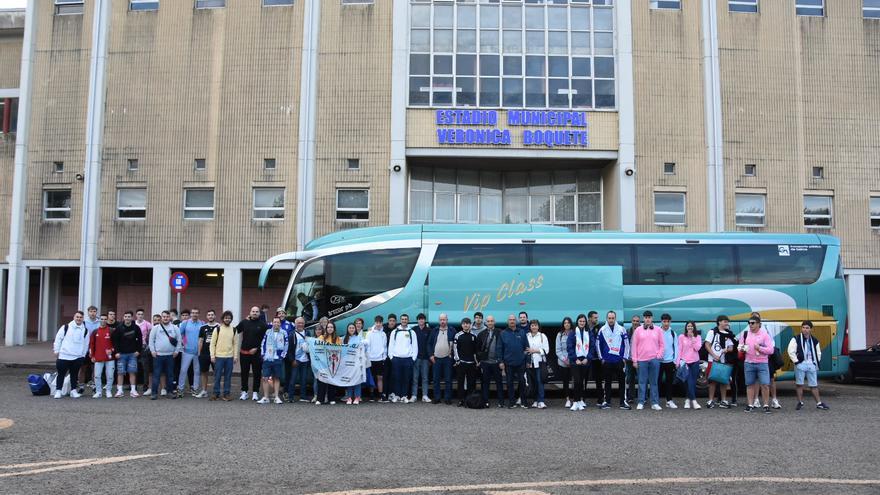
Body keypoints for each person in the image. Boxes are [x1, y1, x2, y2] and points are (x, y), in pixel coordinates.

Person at [788, 320, 830, 411]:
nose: (805, 330)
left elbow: (818, 352)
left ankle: (819, 403)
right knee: (799, 384)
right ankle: (800, 402)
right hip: (801, 363)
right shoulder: (796, 338)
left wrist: (815, 363)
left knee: (814, 385)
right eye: (803, 327)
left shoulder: (814, 340)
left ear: (811, 329)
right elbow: (791, 351)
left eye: (807, 328)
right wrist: (796, 362)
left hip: (811, 363)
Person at [740, 316, 775, 413]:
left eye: (753, 323)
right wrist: (742, 348)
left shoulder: (765, 335)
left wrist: (760, 348)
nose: (750, 325)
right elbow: (739, 346)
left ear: (759, 324)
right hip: (749, 362)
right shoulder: (745, 334)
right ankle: (750, 405)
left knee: (765, 384)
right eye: (749, 323)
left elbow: (771, 350)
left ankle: (766, 405)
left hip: (762, 363)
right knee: (749, 384)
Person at [749, 312, 782, 409]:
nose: (753, 322)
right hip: (753, 358)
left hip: (767, 357)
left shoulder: (766, 329)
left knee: (771, 379)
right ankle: (756, 400)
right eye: (752, 319)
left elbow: (771, 344)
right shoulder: (749, 330)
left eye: (756, 319)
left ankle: (774, 400)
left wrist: (761, 348)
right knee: (755, 380)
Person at [52, 311, 89, 399]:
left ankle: (73, 391)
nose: (79, 319)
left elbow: (86, 344)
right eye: (77, 317)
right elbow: (58, 339)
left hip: (77, 357)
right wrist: (56, 350)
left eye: (80, 317)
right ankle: (58, 391)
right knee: (61, 374)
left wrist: (83, 355)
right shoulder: (65, 327)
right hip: (64, 355)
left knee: (74, 375)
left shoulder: (85, 330)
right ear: (74, 317)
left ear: (83, 319)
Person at [632, 310, 664, 410]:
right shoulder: (638, 330)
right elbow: (634, 346)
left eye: (649, 317)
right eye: (646, 317)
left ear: (652, 318)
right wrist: (634, 360)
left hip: (654, 360)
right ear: (643, 319)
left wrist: (658, 356)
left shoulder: (658, 330)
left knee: (654, 382)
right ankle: (641, 402)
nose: (648, 319)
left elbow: (662, 345)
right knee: (642, 382)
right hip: (642, 360)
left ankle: (655, 403)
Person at [704, 315, 738, 409]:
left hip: (723, 361)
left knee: (724, 381)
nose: (726, 323)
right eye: (724, 321)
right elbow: (707, 345)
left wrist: (726, 350)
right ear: (719, 322)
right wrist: (714, 355)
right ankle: (710, 400)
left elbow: (731, 347)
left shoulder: (729, 334)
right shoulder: (712, 332)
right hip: (713, 360)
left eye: (727, 322)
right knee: (712, 381)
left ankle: (723, 400)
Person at [598, 311, 628, 410]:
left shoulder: (621, 329)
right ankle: (607, 402)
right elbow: (598, 345)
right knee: (607, 382)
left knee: (622, 382)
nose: (611, 320)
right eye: (609, 318)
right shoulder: (602, 330)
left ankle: (623, 402)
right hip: (607, 361)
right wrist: (601, 358)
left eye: (613, 318)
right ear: (607, 319)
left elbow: (627, 344)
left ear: (615, 318)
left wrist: (625, 358)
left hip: (619, 360)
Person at [149, 311, 182, 400]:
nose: (166, 318)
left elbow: (179, 341)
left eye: (167, 316)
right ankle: (154, 393)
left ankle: (170, 392)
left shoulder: (175, 328)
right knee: (156, 375)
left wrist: (176, 351)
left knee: (170, 375)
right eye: (164, 317)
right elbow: (151, 341)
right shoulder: (156, 328)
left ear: (170, 318)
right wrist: (152, 351)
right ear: (161, 318)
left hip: (170, 355)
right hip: (158, 355)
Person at [237, 306, 268, 401]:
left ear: (259, 313)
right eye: (253, 311)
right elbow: (234, 331)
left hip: (257, 353)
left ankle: (255, 392)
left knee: (257, 373)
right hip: (244, 353)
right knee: (244, 373)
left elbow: (265, 340)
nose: (255, 313)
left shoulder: (263, 325)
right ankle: (244, 392)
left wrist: (257, 348)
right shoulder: (244, 322)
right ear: (250, 312)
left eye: (257, 311)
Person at [209, 311, 239, 401]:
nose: (227, 319)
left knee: (228, 377)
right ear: (223, 319)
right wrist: (212, 356)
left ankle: (226, 394)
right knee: (217, 376)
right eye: (226, 318)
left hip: (229, 357)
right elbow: (212, 344)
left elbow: (235, 344)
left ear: (231, 319)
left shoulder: (234, 330)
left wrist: (235, 356)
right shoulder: (217, 329)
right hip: (218, 357)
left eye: (229, 318)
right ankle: (216, 393)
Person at [111, 310, 142, 398]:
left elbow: (140, 340)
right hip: (121, 354)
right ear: (123, 317)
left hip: (132, 354)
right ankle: (119, 391)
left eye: (129, 317)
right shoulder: (119, 328)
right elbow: (115, 341)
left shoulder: (136, 328)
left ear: (132, 317)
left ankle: (133, 390)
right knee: (120, 373)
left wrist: (138, 351)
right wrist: (116, 352)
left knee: (132, 372)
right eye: (126, 316)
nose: (127, 318)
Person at [388, 315, 418, 404]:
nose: (404, 320)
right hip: (396, 358)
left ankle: (404, 396)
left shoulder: (411, 332)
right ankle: (397, 395)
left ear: (408, 320)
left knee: (406, 378)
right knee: (397, 378)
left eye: (405, 319)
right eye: (402, 319)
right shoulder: (395, 332)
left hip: (408, 359)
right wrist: (391, 357)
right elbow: (391, 345)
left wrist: (413, 358)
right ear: (400, 320)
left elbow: (415, 346)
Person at [500, 314, 528, 409]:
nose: (512, 321)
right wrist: (501, 361)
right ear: (508, 322)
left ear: (516, 321)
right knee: (509, 383)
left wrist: (526, 360)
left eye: (513, 319)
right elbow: (500, 348)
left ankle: (524, 402)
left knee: (522, 382)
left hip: (521, 362)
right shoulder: (503, 333)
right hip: (508, 363)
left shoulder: (522, 332)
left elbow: (526, 347)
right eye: (510, 320)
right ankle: (512, 402)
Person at [258, 317, 289, 404]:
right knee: (265, 378)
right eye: (274, 322)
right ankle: (266, 397)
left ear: (280, 323)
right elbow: (263, 343)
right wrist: (263, 355)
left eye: (278, 322)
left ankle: (276, 397)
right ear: (272, 323)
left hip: (277, 359)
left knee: (276, 378)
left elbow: (286, 345)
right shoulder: (268, 332)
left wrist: (282, 356)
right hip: (267, 358)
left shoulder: (284, 333)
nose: (276, 324)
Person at [428, 313, 454, 405]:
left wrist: (453, 355)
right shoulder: (434, 330)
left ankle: (447, 398)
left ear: (447, 320)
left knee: (448, 379)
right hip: (436, 359)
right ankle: (437, 397)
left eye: (444, 319)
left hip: (448, 358)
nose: (442, 321)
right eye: (441, 320)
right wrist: (431, 355)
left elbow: (455, 344)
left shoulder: (452, 330)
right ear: (439, 321)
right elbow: (429, 344)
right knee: (436, 379)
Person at [477, 315, 504, 408]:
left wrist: (501, 361)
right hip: (486, 363)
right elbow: (478, 348)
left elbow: (503, 347)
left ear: (494, 322)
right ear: (486, 322)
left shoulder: (500, 332)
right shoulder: (481, 334)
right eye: (488, 321)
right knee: (485, 383)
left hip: (497, 362)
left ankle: (501, 402)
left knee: (499, 383)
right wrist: (480, 360)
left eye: (492, 321)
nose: (490, 323)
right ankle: (485, 401)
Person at [566, 314, 591, 411]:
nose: (582, 323)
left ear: (586, 322)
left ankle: (580, 401)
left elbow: (592, 347)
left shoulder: (588, 333)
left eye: (584, 321)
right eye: (580, 321)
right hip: (575, 361)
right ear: (577, 322)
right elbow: (569, 346)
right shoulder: (572, 333)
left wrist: (587, 358)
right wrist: (575, 359)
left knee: (582, 382)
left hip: (585, 361)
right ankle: (575, 402)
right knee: (577, 381)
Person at [453, 317, 480, 407]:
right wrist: (457, 360)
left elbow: (476, 350)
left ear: (470, 325)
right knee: (460, 383)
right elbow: (455, 349)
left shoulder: (474, 336)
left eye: (467, 323)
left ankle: (470, 401)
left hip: (472, 364)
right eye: (464, 323)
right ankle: (461, 400)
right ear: (461, 325)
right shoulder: (458, 335)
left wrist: (476, 362)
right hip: (461, 363)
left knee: (471, 383)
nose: (466, 325)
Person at [178, 308, 204, 397]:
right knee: (183, 370)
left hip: (198, 352)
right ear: (191, 314)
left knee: (197, 371)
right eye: (193, 313)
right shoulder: (185, 323)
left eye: (196, 313)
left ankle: (195, 389)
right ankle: (180, 389)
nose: (194, 314)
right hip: (187, 351)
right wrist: (183, 343)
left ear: (199, 314)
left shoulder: (202, 324)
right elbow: (179, 334)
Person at [677, 321, 702, 410]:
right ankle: (694, 401)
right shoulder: (681, 337)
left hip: (695, 361)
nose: (690, 328)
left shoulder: (698, 337)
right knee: (688, 381)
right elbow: (679, 349)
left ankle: (687, 400)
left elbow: (697, 348)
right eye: (688, 326)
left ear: (694, 328)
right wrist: (677, 362)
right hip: (685, 362)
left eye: (691, 326)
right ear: (686, 327)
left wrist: (692, 338)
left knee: (693, 382)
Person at [89, 315, 115, 399]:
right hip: (98, 357)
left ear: (107, 320)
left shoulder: (111, 331)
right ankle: (98, 391)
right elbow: (92, 344)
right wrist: (92, 355)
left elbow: (116, 344)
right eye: (102, 319)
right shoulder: (95, 331)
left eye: (105, 319)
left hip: (110, 358)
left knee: (110, 375)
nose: (103, 320)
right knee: (97, 375)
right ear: (99, 320)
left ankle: (108, 390)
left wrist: (112, 350)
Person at [286, 317, 312, 403]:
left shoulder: (307, 333)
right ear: (295, 324)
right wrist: (292, 360)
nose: (300, 324)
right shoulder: (291, 334)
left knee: (303, 380)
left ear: (304, 324)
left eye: (302, 323)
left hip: (305, 360)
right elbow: (289, 349)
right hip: (296, 360)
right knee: (292, 380)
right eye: (298, 323)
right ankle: (290, 397)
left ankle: (303, 397)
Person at [315, 322, 342, 405]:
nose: (330, 329)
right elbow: (317, 348)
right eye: (328, 327)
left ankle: (331, 399)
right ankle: (320, 399)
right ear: (326, 329)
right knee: (322, 381)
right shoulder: (321, 337)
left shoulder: (337, 339)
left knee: (331, 381)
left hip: (333, 363)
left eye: (331, 327)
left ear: (334, 329)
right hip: (322, 362)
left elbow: (340, 349)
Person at [525, 319, 549, 409]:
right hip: (530, 363)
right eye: (532, 325)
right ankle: (535, 400)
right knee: (533, 382)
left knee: (540, 381)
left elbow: (546, 350)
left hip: (539, 362)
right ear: (530, 327)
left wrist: (534, 350)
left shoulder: (542, 336)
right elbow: (525, 349)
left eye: (535, 325)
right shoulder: (527, 336)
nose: (534, 327)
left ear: (538, 326)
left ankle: (541, 401)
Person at [658, 313, 680, 409]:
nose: (666, 324)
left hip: (670, 361)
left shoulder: (673, 333)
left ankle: (669, 400)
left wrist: (676, 361)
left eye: (668, 321)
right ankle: (656, 401)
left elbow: (676, 347)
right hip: (658, 361)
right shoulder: (657, 331)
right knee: (656, 381)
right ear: (661, 322)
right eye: (664, 321)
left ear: (670, 322)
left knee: (669, 382)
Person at [197, 310, 220, 400]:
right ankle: (204, 391)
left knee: (216, 373)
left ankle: (216, 391)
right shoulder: (203, 327)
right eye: (209, 315)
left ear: (215, 316)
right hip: (204, 354)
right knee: (204, 372)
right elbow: (200, 340)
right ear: (207, 316)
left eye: (212, 315)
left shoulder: (219, 327)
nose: (210, 316)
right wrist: (199, 353)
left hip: (216, 354)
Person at [78, 305, 100, 395]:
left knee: (95, 368)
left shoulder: (100, 322)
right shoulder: (84, 322)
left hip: (96, 350)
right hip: (85, 350)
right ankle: (81, 387)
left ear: (96, 312)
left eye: (94, 311)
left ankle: (95, 386)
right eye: (91, 311)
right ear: (88, 312)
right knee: (83, 368)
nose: (92, 313)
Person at [365, 315, 387, 402]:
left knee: (380, 377)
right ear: (375, 323)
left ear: (382, 323)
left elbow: (384, 347)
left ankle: (381, 395)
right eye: (377, 322)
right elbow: (367, 345)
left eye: (380, 322)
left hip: (380, 359)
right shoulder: (369, 333)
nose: (378, 324)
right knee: (372, 377)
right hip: (371, 359)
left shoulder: (383, 334)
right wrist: (369, 357)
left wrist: (384, 357)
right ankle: (371, 395)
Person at [411, 313, 433, 403]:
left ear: (425, 320)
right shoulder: (413, 330)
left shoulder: (429, 330)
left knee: (425, 378)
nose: (421, 320)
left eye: (423, 319)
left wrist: (430, 356)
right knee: (415, 378)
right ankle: (414, 395)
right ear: (417, 320)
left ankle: (425, 395)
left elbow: (431, 344)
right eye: (419, 319)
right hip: (416, 357)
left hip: (425, 358)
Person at [585, 311, 604, 406]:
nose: (597, 319)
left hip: (597, 358)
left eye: (597, 317)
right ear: (589, 318)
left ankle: (600, 400)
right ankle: (582, 399)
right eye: (595, 317)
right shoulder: (584, 328)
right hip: (586, 358)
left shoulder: (600, 328)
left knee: (598, 379)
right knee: (584, 379)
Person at [342, 323, 363, 405]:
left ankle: (357, 397)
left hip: (357, 362)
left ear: (355, 329)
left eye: (353, 328)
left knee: (357, 380)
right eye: (350, 328)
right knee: (349, 379)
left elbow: (364, 349)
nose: (351, 329)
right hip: (347, 363)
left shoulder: (359, 338)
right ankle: (349, 397)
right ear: (347, 329)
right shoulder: (344, 338)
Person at [555, 317, 573, 408]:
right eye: (565, 323)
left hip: (574, 361)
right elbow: (558, 350)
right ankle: (567, 399)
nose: (567, 324)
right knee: (565, 382)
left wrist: (572, 359)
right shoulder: (560, 335)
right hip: (563, 362)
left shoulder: (574, 333)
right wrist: (564, 359)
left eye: (568, 323)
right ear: (563, 324)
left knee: (576, 381)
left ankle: (578, 399)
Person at [135, 309, 153, 395]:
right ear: (136, 315)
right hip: (134, 348)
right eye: (138, 314)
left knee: (145, 368)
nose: (140, 316)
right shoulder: (133, 324)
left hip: (144, 348)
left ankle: (145, 385)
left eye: (142, 314)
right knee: (134, 367)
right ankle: (133, 385)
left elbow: (151, 335)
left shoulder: (148, 324)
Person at [623, 315, 640, 408]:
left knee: (642, 379)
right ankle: (631, 397)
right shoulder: (628, 331)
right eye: (634, 321)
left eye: (637, 321)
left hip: (640, 359)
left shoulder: (642, 331)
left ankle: (643, 397)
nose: (635, 322)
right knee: (631, 379)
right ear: (631, 321)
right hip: (629, 359)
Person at [382, 313, 398, 402]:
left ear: (395, 322)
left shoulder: (398, 330)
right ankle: (384, 393)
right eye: (390, 321)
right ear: (388, 321)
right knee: (385, 375)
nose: (392, 322)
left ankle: (392, 393)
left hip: (394, 356)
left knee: (393, 375)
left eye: (393, 321)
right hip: (385, 356)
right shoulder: (383, 329)